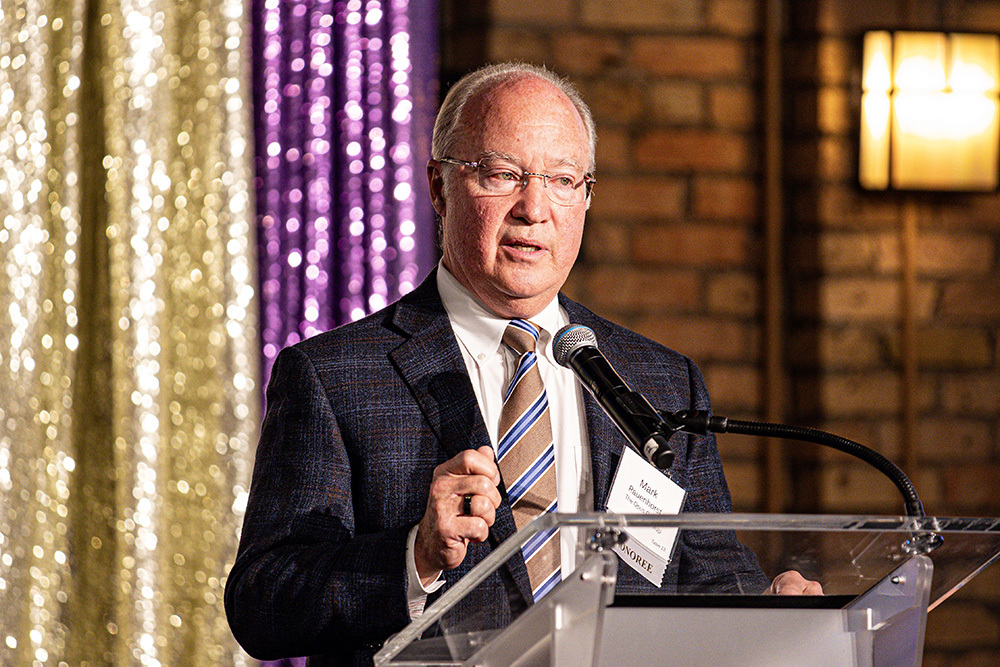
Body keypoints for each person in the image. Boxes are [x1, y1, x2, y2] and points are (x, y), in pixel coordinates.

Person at [225, 62, 817, 666]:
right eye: (502, 175)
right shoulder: (335, 376)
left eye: (563, 180)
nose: (534, 209)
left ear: (586, 196)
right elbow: (264, 601)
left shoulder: (658, 379)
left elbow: (705, 575)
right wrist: (416, 556)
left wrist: (769, 610)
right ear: (439, 186)